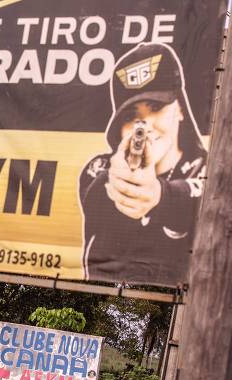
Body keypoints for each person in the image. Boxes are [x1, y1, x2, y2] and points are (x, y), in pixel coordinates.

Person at [79, 42, 207, 286]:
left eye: (156, 108)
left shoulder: (208, 170)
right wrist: (116, 183)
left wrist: (161, 196)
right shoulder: (101, 169)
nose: (144, 125)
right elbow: (94, 198)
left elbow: (205, 200)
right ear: (120, 128)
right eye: (131, 116)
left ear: (180, 108)